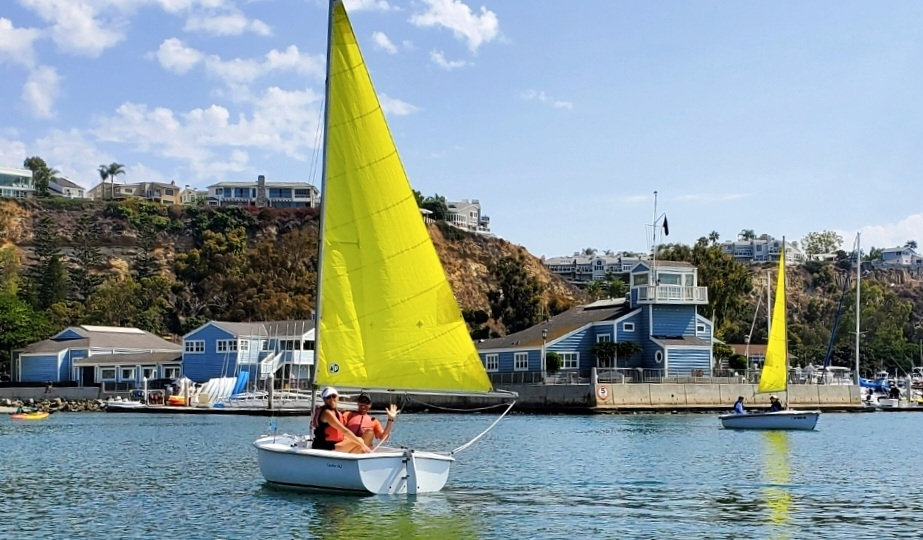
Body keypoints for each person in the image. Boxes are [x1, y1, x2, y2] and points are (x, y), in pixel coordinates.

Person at [312, 387, 371, 453]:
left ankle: (349, 461)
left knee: (358, 443)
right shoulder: (327, 413)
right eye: (328, 397)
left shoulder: (335, 412)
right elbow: (344, 431)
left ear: (337, 397)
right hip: (325, 447)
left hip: (333, 444)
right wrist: (364, 445)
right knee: (360, 441)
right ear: (324, 400)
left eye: (333, 396)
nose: (331, 399)